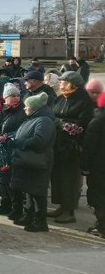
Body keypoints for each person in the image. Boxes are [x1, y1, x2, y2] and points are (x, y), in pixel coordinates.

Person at [49, 71, 95, 224]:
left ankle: (69, 211)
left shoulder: (84, 100)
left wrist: (62, 124)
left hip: (73, 146)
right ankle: (62, 206)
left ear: (71, 83)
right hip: (58, 144)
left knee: (70, 179)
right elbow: (53, 115)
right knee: (58, 177)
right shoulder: (61, 98)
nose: (60, 83)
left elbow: (83, 124)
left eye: (63, 81)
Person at [7, 93, 56, 232]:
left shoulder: (44, 121)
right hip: (30, 161)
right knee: (29, 190)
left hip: (39, 162)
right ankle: (29, 216)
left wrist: (18, 143)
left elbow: (40, 141)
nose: (24, 109)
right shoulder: (33, 119)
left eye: (27, 106)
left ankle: (40, 221)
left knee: (37, 192)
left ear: (34, 108)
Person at [0, 84, 27, 217]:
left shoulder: (22, 111)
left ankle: (16, 207)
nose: (16, 98)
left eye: (18, 95)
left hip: (11, 148)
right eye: (13, 96)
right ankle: (5, 203)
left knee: (10, 179)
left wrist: (8, 136)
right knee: (0, 178)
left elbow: (23, 128)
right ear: (5, 97)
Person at [81, 93, 105, 236]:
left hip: (99, 166)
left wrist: (84, 166)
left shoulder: (97, 121)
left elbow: (89, 146)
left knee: (98, 195)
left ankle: (102, 227)